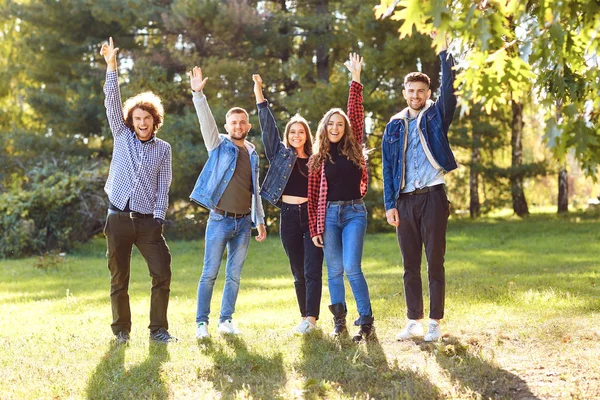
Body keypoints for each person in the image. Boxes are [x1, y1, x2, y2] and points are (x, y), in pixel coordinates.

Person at [100, 37, 176, 344]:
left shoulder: (164, 149)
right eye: (137, 118)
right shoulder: (122, 135)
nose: (141, 122)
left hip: (147, 222)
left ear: (154, 121)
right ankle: (122, 332)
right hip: (117, 218)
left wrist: (158, 219)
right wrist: (111, 67)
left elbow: (164, 186)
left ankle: (158, 329)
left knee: (162, 272)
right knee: (119, 279)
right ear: (130, 121)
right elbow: (112, 100)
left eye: (147, 118)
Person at [382, 35, 457, 342]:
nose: (416, 95)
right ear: (405, 93)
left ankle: (435, 323)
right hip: (404, 202)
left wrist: (444, 53)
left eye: (421, 91)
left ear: (428, 93)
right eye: (411, 91)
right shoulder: (394, 124)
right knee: (409, 264)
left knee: (434, 261)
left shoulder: (436, 115)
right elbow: (387, 168)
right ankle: (414, 319)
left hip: (433, 198)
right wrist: (390, 204)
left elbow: (450, 92)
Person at [189, 66, 267, 339]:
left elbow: (254, 190)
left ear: (248, 126)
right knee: (209, 273)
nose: (238, 126)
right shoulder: (219, 145)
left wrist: (260, 221)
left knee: (234, 276)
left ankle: (226, 320)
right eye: (233, 123)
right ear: (227, 127)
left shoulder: (252, 153)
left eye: (242, 122)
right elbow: (205, 122)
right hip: (220, 220)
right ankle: (202, 323)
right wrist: (199, 95)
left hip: (244, 222)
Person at [308, 53, 374, 342]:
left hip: (354, 213)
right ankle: (339, 322)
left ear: (345, 128)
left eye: (340, 124)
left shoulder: (354, 146)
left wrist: (355, 79)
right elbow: (312, 199)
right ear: (324, 128)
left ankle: (366, 321)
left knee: (351, 267)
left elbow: (356, 111)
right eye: (331, 124)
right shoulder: (317, 159)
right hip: (329, 216)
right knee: (333, 270)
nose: (335, 127)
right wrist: (315, 229)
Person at [252, 74, 324, 335]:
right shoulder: (280, 155)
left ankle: (313, 319)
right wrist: (259, 93)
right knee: (298, 270)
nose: (296, 135)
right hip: (289, 217)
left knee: (312, 268)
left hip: (312, 217)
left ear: (307, 134)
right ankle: (305, 317)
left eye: (300, 131)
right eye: (292, 132)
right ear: (288, 135)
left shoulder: (317, 159)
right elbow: (267, 126)